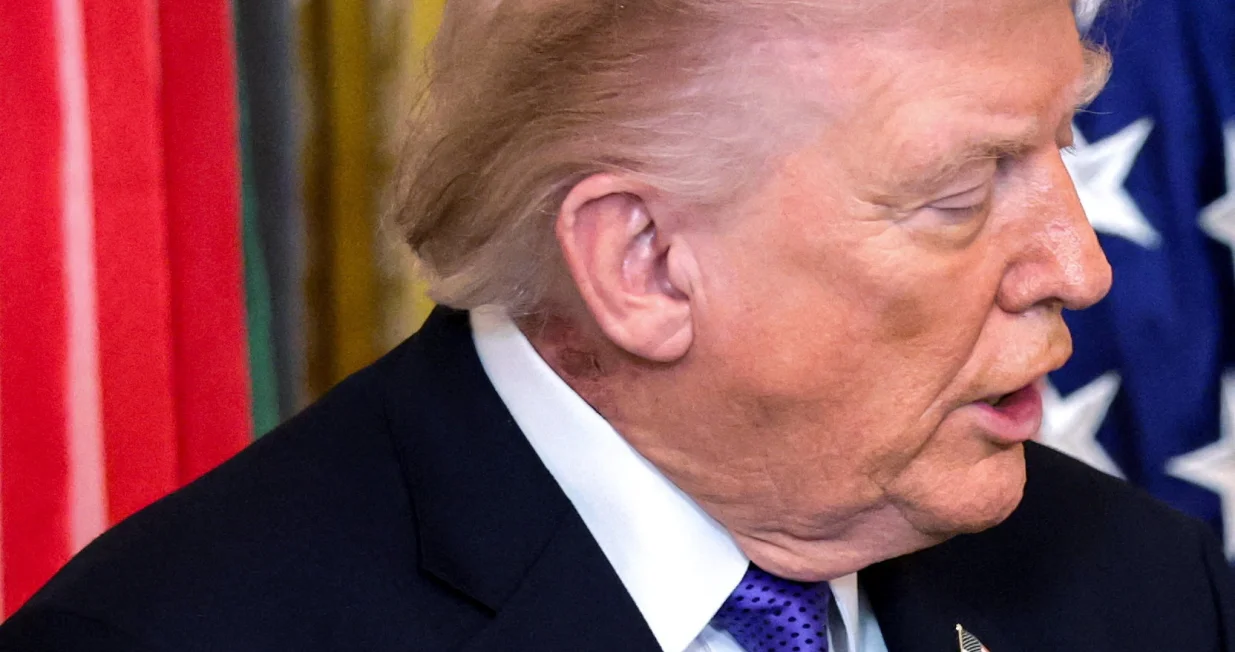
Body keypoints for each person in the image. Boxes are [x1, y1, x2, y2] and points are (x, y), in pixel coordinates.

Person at [3, 0, 1233, 650]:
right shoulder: (173, 637)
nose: (1076, 265)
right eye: (961, 197)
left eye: (1059, 148)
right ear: (641, 263)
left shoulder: (1141, 586)